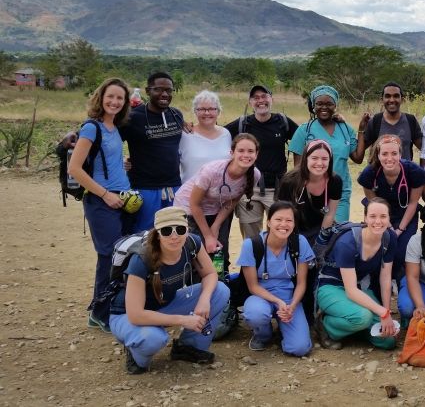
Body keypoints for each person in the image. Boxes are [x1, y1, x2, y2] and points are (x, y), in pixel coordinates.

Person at [109, 207, 231, 374]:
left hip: (163, 303)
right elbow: (135, 314)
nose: (174, 236)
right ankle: (135, 351)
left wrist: (204, 299)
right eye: (166, 231)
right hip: (127, 315)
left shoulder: (192, 243)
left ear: (187, 230)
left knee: (220, 291)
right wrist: (182, 320)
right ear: (157, 233)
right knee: (153, 339)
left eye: (180, 229)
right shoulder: (142, 259)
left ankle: (187, 347)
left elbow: (210, 274)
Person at [68, 77, 134, 332]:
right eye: (110, 97)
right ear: (100, 97)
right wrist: (105, 194)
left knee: (121, 255)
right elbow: (75, 167)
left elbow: (106, 162)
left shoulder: (114, 128)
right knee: (109, 256)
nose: (114, 102)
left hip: (121, 198)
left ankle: (113, 307)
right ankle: (100, 312)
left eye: (120, 98)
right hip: (101, 200)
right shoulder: (91, 128)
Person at [313, 198, 399, 350]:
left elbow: (385, 278)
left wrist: (386, 312)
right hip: (331, 288)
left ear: (389, 218)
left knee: (388, 341)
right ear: (365, 218)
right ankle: (325, 325)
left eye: (383, 216)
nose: (378, 221)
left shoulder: (389, 238)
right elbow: (351, 291)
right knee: (363, 317)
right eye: (373, 216)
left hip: (359, 289)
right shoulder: (348, 242)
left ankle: (354, 329)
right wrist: (382, 313)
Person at [173, 134, 260, 274]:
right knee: (198, 250)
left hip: (217, 209)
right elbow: (194, 204)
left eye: (250, 151)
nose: (246, 155)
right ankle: (196, 285)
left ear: (257, 154)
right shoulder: (212, 171)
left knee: (220, 250)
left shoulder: (254, 175)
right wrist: (208, 236)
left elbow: (232, 200)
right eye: (241, 150)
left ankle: (221, 283)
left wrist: (215, 227)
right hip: (189, 209)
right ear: (232, 153)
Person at [276, 139, 343, 322]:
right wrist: (294, 243)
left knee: (320, 266)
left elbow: (330, 214)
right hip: (293, 231)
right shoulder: (290, 181)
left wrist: (321, 243)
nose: (319, 163)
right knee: (298, 267)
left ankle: (315, 312)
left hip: (320, 230)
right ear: (305, 158)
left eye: (325, 158)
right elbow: (282, 216)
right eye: (314, 158)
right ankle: (290, 308)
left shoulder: (335, 181)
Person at [237, 201, 314, 356]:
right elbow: (253, 286)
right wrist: (277, 302)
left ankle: (285, 330)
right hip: (260, 296)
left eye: (289, 220)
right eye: (278, 219)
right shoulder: (252, 245)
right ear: (269, 222)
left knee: (300, 348)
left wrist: (292, 305)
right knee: (256, 315)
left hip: (289, 299)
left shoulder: (300, 243)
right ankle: (263, 335)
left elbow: (301, 283)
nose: (283, 224)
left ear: (294, 224)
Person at [225, 85, 298, 240]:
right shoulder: (243, 124)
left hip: (278, 189)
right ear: (250, 102)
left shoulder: (282, 122)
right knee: (252, 240)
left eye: (264, 96)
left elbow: (305, 138)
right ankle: (253, 264)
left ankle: (275, 264)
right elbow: (219, 135)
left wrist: (335, 120)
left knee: (280, 234)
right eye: (256, 98)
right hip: (248, 189)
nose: (261, 101)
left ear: (271, 99)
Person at [357, 134, 425, 279]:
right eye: (384, 154)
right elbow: (372, 203)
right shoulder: (370, 173)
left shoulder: (414, 172)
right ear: (378, 154)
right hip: (380, 216)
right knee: (378, 248)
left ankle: (397, 277)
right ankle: (374, 278)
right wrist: (388, 226)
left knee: (400, 252)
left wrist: (400, 229)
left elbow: (413, 202)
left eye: (394, 153)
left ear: (400, 154)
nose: (389, 158)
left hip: (406, 215)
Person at [123, 72, 187, 232]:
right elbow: (109, 140)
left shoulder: (176, 115)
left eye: (169, 90)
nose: (164, 94)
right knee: (145, 234)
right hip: (145, 188)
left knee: (173, 232)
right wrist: (121, 162)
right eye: (159, 89)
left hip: (174, 186)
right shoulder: (133, 117)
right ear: (147, 91)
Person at [289, 85, 363, 223]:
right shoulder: (304, 130)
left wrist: (362, 130)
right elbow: (298, 169)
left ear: (335, 105)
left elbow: (358, 158)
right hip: (311, 194)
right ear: (313, 106)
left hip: (340, 193)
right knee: (314, 235)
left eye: (329, 104)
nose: (324, 107)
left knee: (337, 236)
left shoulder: (345, 129)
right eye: (319, 104)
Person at [356, 82, 423, 161]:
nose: (392, 100)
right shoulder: (375, 121)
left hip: (404, 172)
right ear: (382, 100)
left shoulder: (410, 120)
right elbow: (359, 154)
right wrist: (361, 130)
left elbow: (424, 149)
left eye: (396, 96)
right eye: (387, 96)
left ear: (402, 99)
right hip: (379, 172)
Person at [179, 90, 232, 184]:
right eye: (202, 109)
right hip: (190, 194)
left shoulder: (226, 134)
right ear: (195, 111)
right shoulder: (185, 134)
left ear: (218, 111)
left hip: (220, 194)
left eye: (212, 109)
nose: (207, 113)